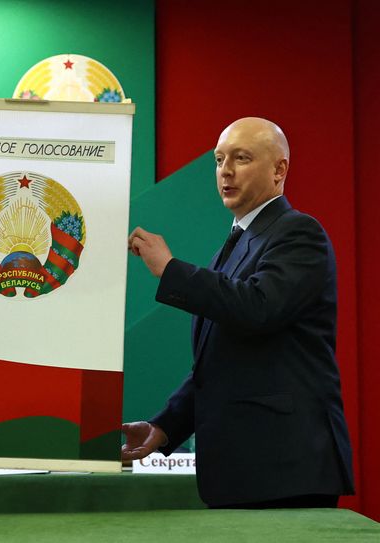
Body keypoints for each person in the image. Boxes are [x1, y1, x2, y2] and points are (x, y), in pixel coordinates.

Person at [123, 117, 354, 509]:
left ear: (279, 169)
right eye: (218, 159)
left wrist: (170, 269)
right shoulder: (236, 245)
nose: (225, 171)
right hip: (248, 472)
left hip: (286, 470)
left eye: (241, 158)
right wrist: (164, 427)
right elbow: (219, 365)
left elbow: (256, 307)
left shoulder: (299, 233)